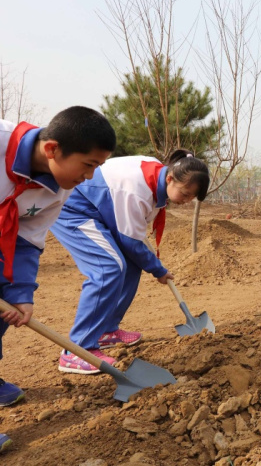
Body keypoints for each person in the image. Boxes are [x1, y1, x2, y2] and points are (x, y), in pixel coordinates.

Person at [0, 106, 115, 453]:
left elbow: (28, 238)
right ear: (52, 149)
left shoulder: (59, 187)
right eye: (88, 165)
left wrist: (21, 293)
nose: (91, 177)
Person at [50, 150, 209, 374]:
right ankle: (78, 349)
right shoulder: (137, 190)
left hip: (100, 212)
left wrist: (149, 263)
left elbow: (132, 239)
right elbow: (130, 242)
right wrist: (158, 269)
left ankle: (106, 330)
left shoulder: (157, 177)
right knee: (108, 268)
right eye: (185, 194)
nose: (186, 201)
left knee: (132, 264)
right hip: (73, 208)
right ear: (170, 178)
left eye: (191, 198)